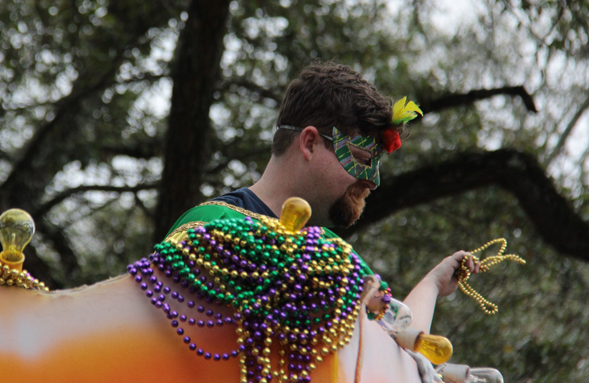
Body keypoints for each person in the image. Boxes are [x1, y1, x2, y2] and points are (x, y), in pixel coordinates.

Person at [166, 62, 479, 337]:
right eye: (360, 157)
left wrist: (433, 284)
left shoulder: (334, 253)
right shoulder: (211, 227)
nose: (373, 180)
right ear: (310, 143)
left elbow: (401, 348)